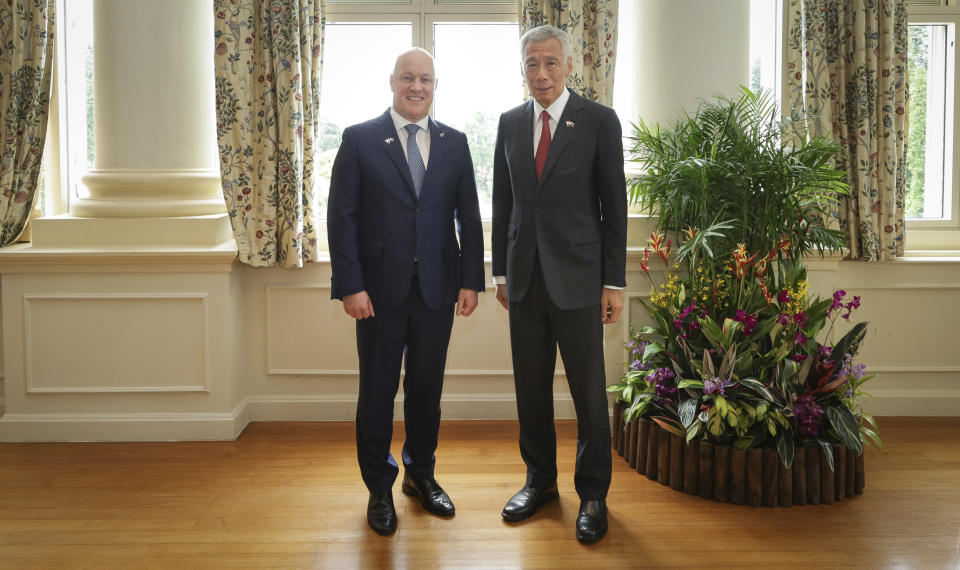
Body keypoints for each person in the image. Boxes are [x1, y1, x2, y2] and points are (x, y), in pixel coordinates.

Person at [327, 48, 485, 536]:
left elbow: (469, 216)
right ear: (392, 82)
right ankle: (379, 486)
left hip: (438, 289)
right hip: (377, 292)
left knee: (426, 389)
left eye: (426, 80)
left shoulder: (455, 143)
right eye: (408, 78)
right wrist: (350, 285)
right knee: (377, 391)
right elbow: (342, 218)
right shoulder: (359, 140)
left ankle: (421, 474)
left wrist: (470, 279)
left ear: (436, 86)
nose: (417, 87)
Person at [491, 25, 627, 543]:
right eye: (531, 63)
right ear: (522, 69)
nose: (541, 73)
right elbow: (504, 203)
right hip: (523, 281)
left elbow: (614, 207)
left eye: (550, 62)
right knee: (531, 390)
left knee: (589, 394)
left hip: (581, 281)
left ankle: (593, 492)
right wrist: (501, 272)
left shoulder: (598, 121)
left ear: (569, 66)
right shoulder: (508, 123)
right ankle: (540, 481)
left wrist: (612, 283)